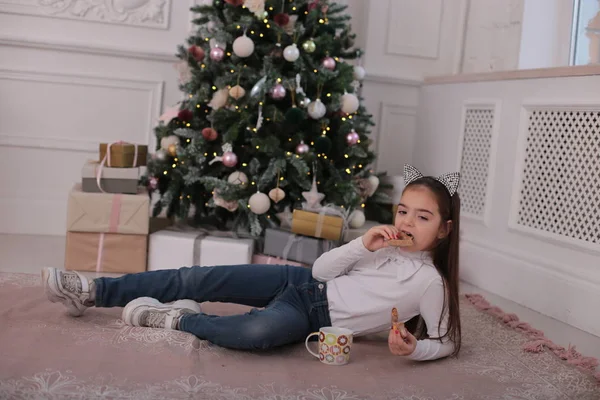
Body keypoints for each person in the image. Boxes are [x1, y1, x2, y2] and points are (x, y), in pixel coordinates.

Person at [42, 164, 462, 360]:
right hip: (299, 282)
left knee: (258, 332)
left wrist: (412, 350)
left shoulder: (430, 283)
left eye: (422, 217)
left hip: (313, 316)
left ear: (444, 229)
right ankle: (93, 290)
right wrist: (362, 244)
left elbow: (446, 341)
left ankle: (175, 319)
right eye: (403, 210)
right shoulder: (379, 245)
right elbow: (320, 272)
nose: (406, 222)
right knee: (201, 277)